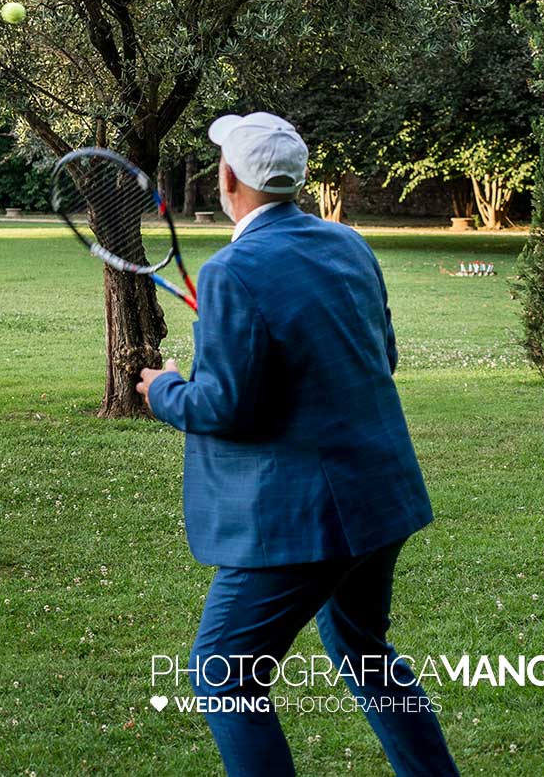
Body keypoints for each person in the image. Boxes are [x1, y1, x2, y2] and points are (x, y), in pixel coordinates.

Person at [138, 113, 456, 776]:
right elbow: (380, 356)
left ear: (229, 180)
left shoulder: (232, 270)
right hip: (380, 497)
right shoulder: (349, 244)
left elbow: (225, 405)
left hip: (313, 516)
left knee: (222, 673)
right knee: (363, 652)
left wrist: (164, 388)